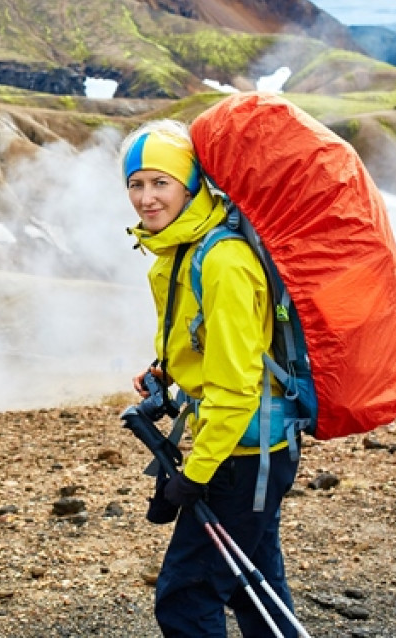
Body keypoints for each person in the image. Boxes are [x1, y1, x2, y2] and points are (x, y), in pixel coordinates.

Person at [120, 119, 300, 638]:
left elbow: (237, 385)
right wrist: (166, 370)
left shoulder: (222, 261)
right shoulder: (181, 250)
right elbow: (205, 344)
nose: (146, 197)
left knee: (187, 596)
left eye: (161, 182)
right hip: (251, 448)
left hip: (243, 454)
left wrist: (196, 473)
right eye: (136, 183)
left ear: (191, 184)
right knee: (255, 587)